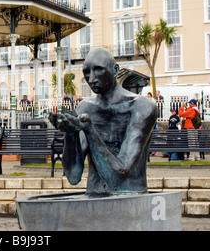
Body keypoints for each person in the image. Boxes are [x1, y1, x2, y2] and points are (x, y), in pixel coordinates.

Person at [49, 48, 157, 195]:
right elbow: (73, 177)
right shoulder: (85, 107)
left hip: (130, 198)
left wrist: (89, 130)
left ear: (115, 70)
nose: (91, 78)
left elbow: (118, 176)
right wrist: (71, 134)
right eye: (86, 72)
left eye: (98, 70)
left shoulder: (142, 107)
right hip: (94, 195)